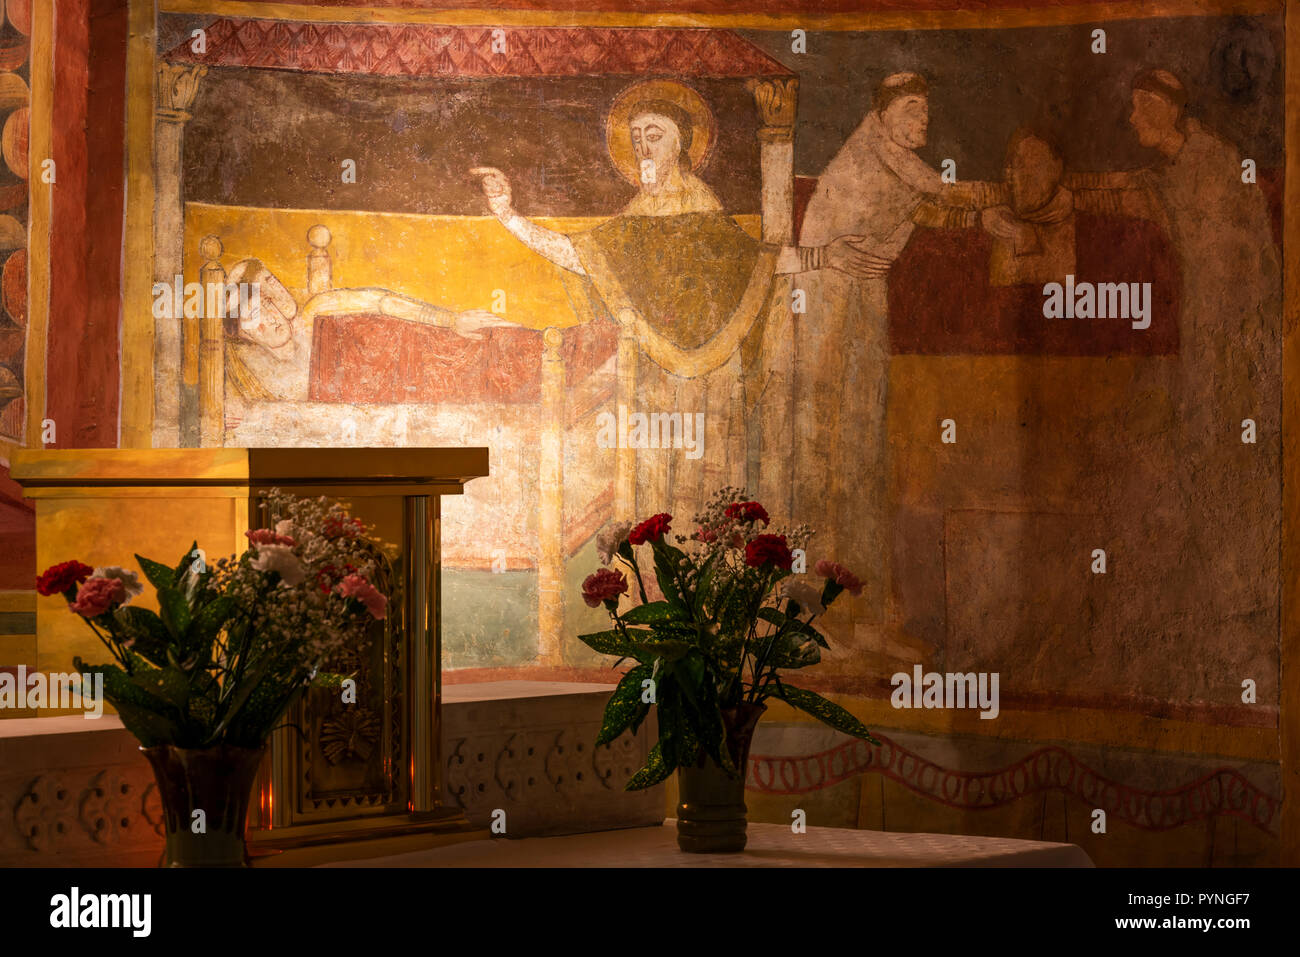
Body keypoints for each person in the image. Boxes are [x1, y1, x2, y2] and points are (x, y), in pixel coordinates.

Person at [471, 82, 874, 524]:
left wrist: (823, 256)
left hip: (716, 371)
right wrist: (508, 215)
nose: (643, 145)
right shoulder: (636, 216)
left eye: (654, 134)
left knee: (715, 477)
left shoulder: (702, 207)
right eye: (637, 136)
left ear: (681, 141)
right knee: (655, 481)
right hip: (655, 370)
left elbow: (757, 261)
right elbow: (579, 256)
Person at [793, 72, 1001, 625]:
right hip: (825, 296)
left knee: (865, 441)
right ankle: (818, 611)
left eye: (925, 111)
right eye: (912, 109)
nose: (922, 120)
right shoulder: (877, 147)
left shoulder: (897, 165)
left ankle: (861, 610)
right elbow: (942, 193)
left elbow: (927, 209)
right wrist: (1022, 191)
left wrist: (984, 219)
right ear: (882, 114)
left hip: (863, 288)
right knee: (830, 442)